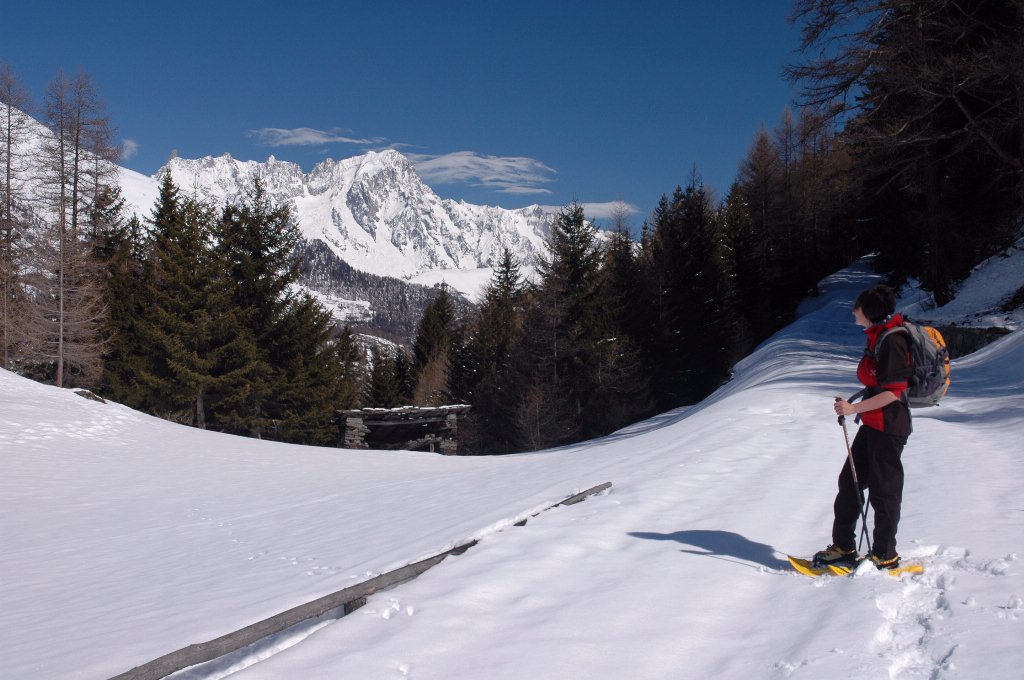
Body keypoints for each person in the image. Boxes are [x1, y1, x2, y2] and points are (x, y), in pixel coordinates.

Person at [814, 284, 913, 569]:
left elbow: (893, 392)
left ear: (869, 312)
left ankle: (885, 553)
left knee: (884, 491)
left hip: (889, 426)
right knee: (851, 483)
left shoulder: (893, 340)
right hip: (872, 424)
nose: (853, 311)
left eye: (857, 307)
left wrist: (853, 408)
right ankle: (844, 547)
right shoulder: (878, 336)